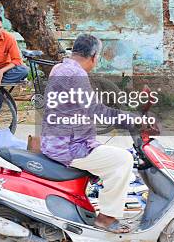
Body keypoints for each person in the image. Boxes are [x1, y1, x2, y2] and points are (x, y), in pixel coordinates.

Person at [41, 34, 134, 234]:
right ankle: (107, 218)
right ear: (93, 56)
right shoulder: (77, 75)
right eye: (98, 56)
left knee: (105, 151)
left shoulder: (59, 68)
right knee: (123, 159)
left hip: (54, 140)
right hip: (68, 147)